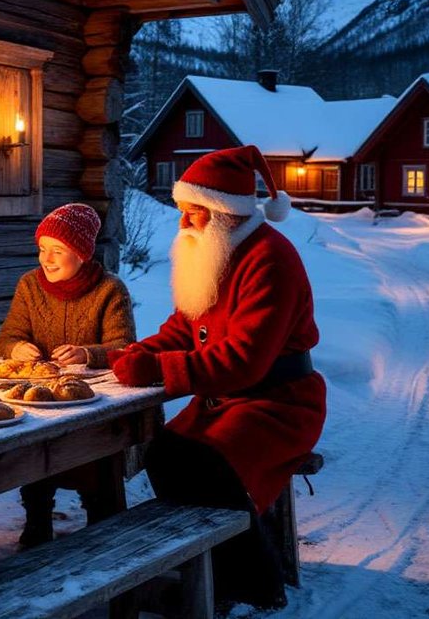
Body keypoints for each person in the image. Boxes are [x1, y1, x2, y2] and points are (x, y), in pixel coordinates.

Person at [109, 145, 326, 610]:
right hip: (225, 400)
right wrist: (142, 352)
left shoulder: (270, 259)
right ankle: (209, 562)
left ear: (226, 213)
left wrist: (157, 371)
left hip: (279, 403)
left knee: (204, 462)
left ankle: (255, 581)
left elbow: (243, 360)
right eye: (183, 212)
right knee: (164, 453)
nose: (184, 224)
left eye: (194, 214)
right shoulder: (216, 253)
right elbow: (183, 327)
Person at [0, 203, 137, 547]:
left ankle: (102, 528)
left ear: (82, 253)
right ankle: (37, 521)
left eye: (58, 250)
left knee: (96, 465)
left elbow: (126, 345)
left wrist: (88, 353)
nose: (47, 258)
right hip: (40, 400)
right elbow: (7, 337)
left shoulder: (109, 290)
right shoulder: (29, 285)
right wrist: (16, 349)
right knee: (33, 453)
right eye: (43, 249)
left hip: (92, 404)